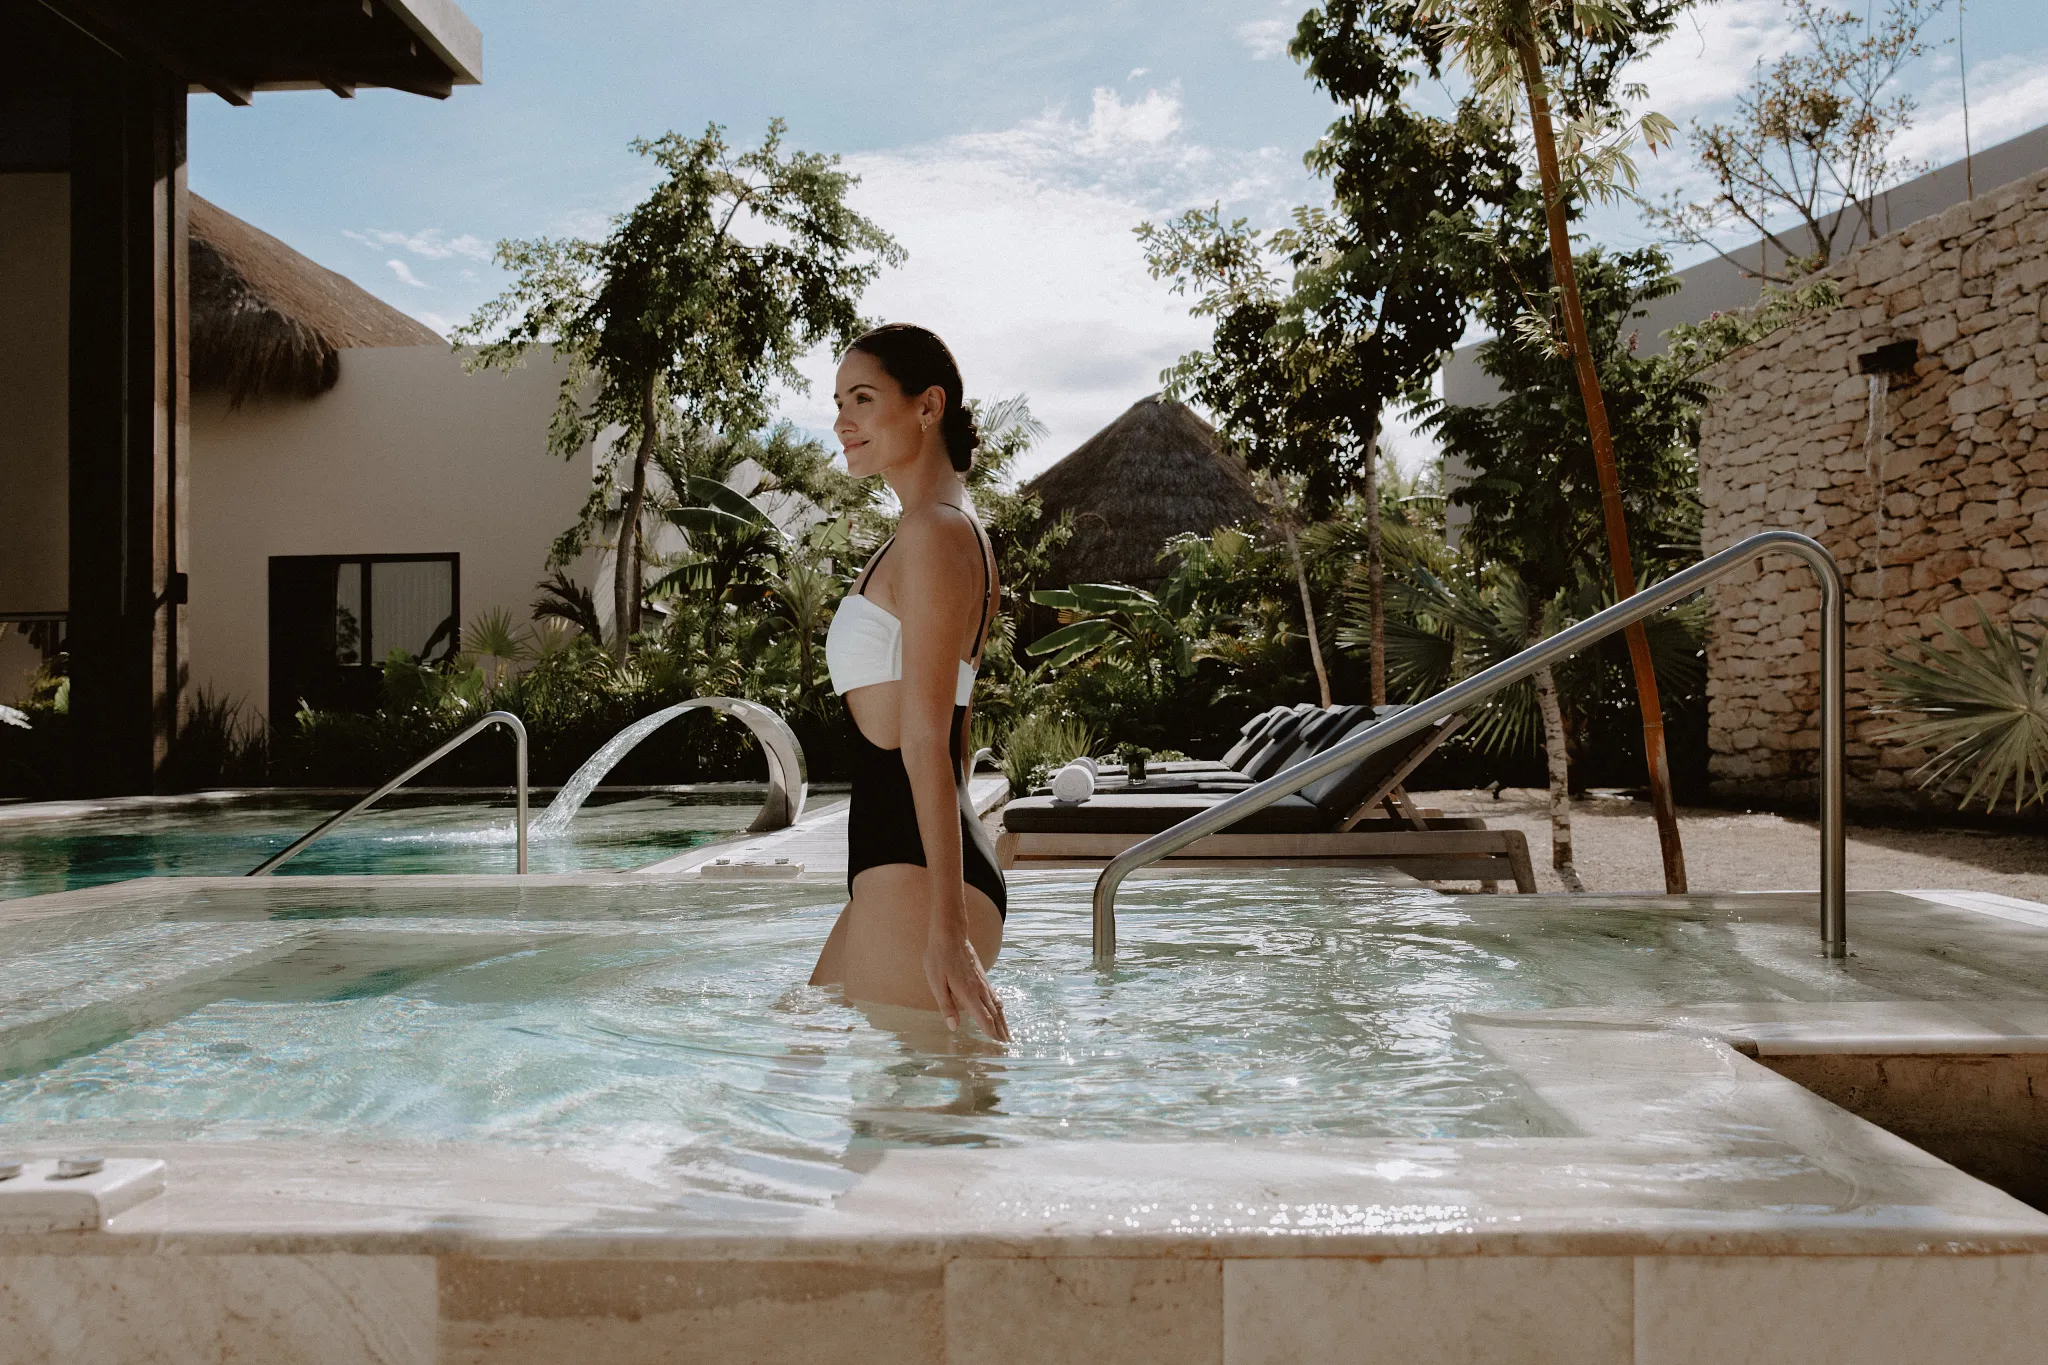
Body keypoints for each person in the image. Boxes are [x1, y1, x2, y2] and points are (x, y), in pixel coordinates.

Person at [809, 324, 1010, 1042]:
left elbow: (927, 736)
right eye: (838, 402)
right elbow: (952, 741)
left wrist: (946, 928)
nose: (842, 421)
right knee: (799, 1044)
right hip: (905, 867)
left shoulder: (935, 533)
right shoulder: (934, 529)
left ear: (929, 406)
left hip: (915, 876)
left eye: (862, 398)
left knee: (905, 1135)